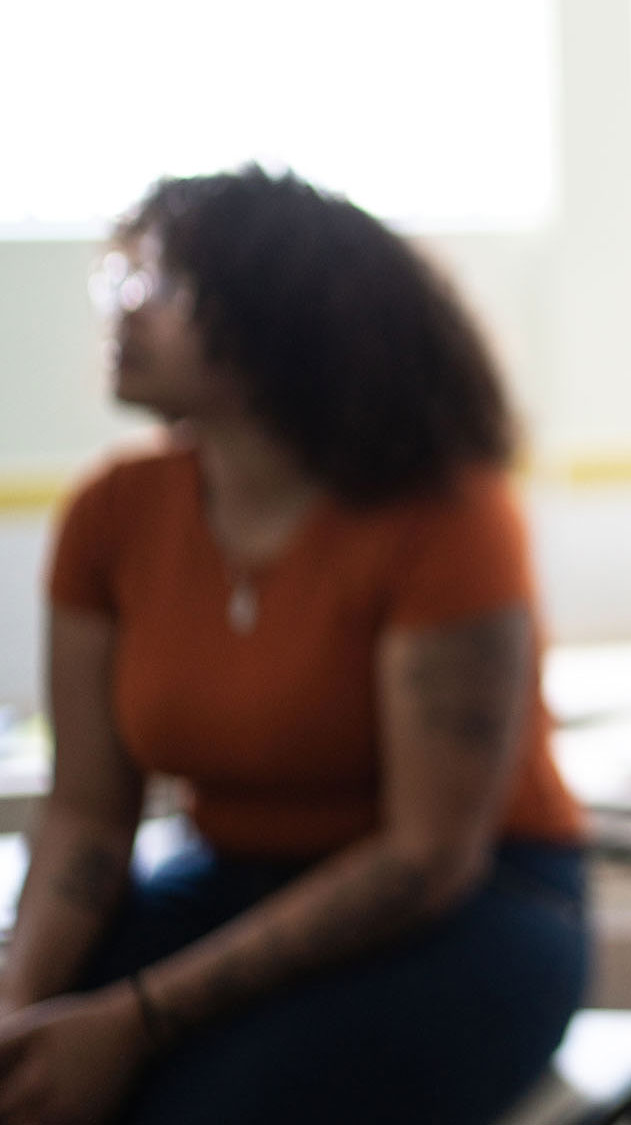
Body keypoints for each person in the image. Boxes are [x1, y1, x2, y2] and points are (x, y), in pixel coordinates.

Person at [8, 166, 586, 1124]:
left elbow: (426, 858)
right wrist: (20, 1004)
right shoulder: (112, 512)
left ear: (278, 323)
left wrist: (136, 1019)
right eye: (121, 284)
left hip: (474, 905)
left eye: (162, 289)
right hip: (230, 881)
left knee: (197, 1107)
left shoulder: (445, 515)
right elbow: (87, 814)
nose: (123, 313)